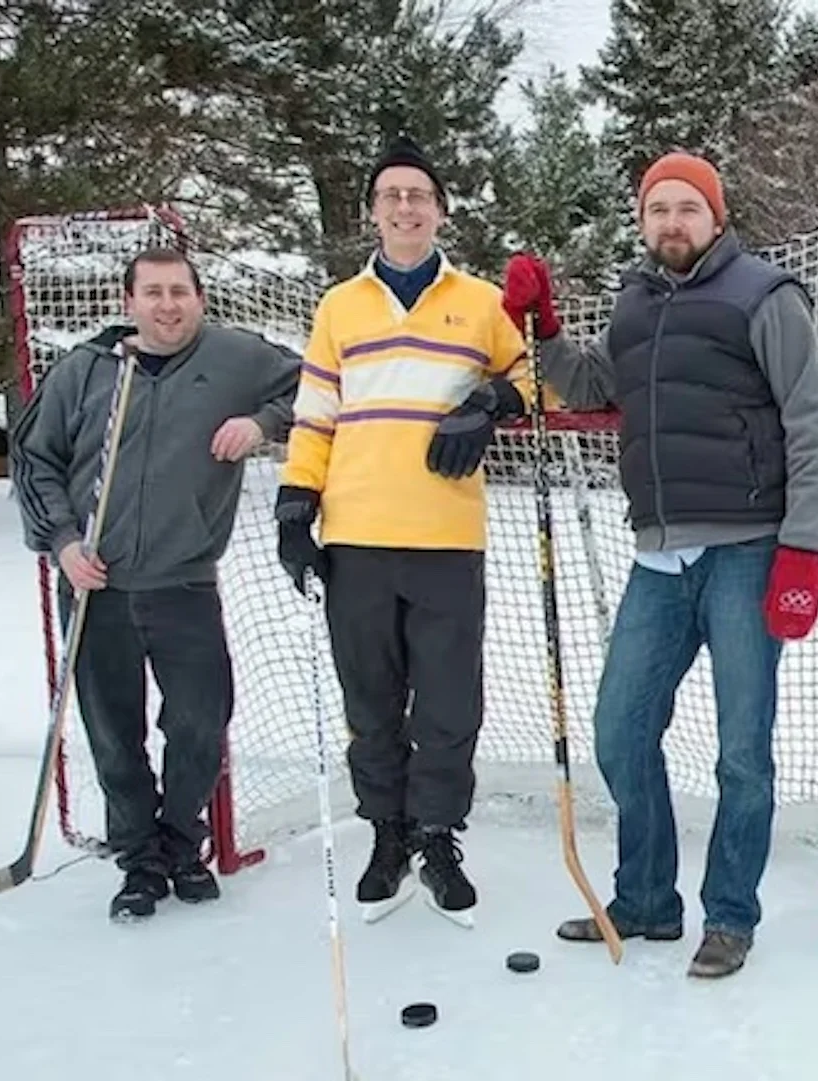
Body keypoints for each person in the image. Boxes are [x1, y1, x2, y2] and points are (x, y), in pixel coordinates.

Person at [500, 150, 818, 977]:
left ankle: (729, 915)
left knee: (741, 751)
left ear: (716, 218)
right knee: (620, 729)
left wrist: (802, 546)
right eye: (659, 210)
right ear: (643, 222)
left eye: (688, 208)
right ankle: (646, 899)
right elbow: (594, 386)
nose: (673, 223)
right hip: (658, 555)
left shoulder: (764, 295)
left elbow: (811, 420)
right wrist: (542, 331)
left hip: (747, 550)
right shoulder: (636, 301)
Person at [272, 134, 531, 928]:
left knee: (450, 703)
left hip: (448, 537)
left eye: (420, 194)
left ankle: (437, 836)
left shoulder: (483, 302)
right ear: (373, 213)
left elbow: (529, 377)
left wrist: (488, 403)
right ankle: (386, 833)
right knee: (372, 701)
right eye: (392, 195)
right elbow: (315, 417)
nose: (407, 206)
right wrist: (295, 504)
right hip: (357, 534)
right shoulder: (339, 307)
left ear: (441, 210)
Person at [9, 247, 300, 922]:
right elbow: (34, 459)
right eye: (154, 293)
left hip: (183, 581)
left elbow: (314, 385)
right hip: (95, 582)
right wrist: (63, 542)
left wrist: (261, 423)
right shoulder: (86, 371)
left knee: (201, 719)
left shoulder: (234, 358)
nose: (168, 305)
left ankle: (178, 842)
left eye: (180, 292)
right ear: (128, 302)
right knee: (113, 731)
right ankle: (138, 856)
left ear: (200, 299)